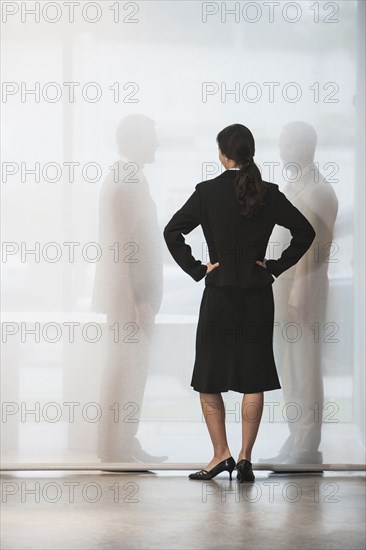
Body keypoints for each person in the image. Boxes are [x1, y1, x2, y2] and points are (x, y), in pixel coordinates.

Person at [163, 123, 316, 482]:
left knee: (208, 379)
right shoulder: (269, 192)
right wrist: (274, 267)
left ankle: (222, 455)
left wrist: (199, 269)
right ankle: (245, 457)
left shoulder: (206, 192)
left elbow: (172, 231)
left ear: (222, 154)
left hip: (218, 297)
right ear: (250, 153)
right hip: (257, 297)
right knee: (253, 379)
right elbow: (305, 232)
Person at [259, 121, 338, 469]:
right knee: (289, 368)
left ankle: (308, 446)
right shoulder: (295, 186)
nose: (280, 150)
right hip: (283, 290)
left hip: (301, 294)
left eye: (286, 144)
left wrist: (300, 294)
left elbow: (316, 251)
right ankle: (297, 438)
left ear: (305, 146)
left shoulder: (319, 190)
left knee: (304, 366)